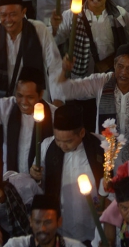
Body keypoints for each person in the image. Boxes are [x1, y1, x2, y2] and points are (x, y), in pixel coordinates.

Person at [54, 44, 129, 159]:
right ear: (114, 65)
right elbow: (67, 91)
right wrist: (65, 71)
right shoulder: (101, 82)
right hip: (105, 154)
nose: (124, 72)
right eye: (120, 66)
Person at [29, 103, 104, 245]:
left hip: (93, 225)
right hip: (61, 226)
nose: (62, 145)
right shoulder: (47, 146)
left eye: (68, 141)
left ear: (81, 133)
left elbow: (112, 181)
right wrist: (35, 175)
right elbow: (37, 183)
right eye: (58, 140)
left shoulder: (101, 145)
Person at [3, 193, 87, 247]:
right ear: (30, 221)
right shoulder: (15, 245)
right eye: (37, 222)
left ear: (59, 222)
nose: (42, 228)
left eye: (48, 222)